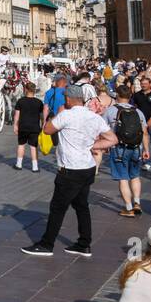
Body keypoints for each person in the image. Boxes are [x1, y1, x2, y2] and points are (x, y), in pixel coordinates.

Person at [21, 87, 117, 258]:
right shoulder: (93, 117)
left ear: (69, 99)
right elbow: (112, 139)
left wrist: (59, 113)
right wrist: (91, 146)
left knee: (57, 207)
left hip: (70, 169)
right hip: (87, 167)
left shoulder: (67, 115)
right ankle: (84, 243)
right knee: (81, 206)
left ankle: (46, 244)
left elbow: (47, 129)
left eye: (65, 97)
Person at [106, 85, 150, 218]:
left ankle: (129, 208)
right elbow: (145, 133)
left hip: (119, 149)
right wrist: (146, 149)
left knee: (123, 178)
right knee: (135, 176)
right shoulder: (138, 111)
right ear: (130, 96)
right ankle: (137, 202)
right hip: (136, 148)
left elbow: (103, 130)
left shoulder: (110, 111)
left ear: (117, 96)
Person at [13, 80, 42, 172]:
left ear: (25, 90)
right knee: (33, 146)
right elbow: (41, 116)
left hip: (23, 126)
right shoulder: (39, 102)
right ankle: (35, 166)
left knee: (21, 144)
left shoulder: (21, 101)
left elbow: (16, 115)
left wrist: (15, 125)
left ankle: (19, 164)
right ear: (34, 91)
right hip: (34, 127)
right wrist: (42, 124)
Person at [132, 74, 151, 173]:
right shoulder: (137, 95)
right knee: (142, 143)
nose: (143, 85)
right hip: (141, 122)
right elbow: (134, 107)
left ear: (150, 84)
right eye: (142, 84)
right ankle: (146, 161)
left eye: (145, 84)